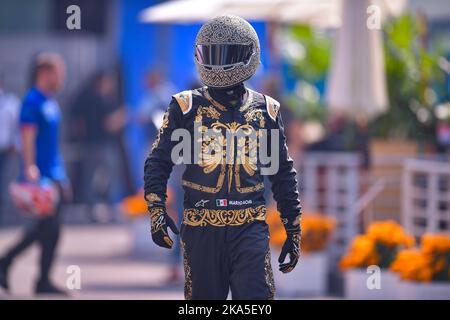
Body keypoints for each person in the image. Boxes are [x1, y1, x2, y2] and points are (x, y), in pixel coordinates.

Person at [144, 15, 302, 300]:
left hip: (249, 227)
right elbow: (158, 161)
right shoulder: (184, 106)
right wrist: (156, 210)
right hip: (201, 229)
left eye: (227, 55)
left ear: (248, 55)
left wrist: (293, 227)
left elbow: (282, 173)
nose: (219, 63)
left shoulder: (268, 110)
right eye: (212, 54)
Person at [0, 52, 69, 294]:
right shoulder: (32, 101)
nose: (61, 78)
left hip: (56, 174)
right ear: (44, 73)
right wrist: (29, 167)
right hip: (40, 176)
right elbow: (26, 135)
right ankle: (9, 261)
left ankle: (41, 279)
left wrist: (64, 177)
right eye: (57, 73)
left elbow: (54, 143)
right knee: (45, 227)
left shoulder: (51, 102)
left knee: (52, 230)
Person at [0, 74, 20, 224]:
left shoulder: (10, 102)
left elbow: (18, 126)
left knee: (2, 181)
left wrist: (16, 143)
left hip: (4, 149)